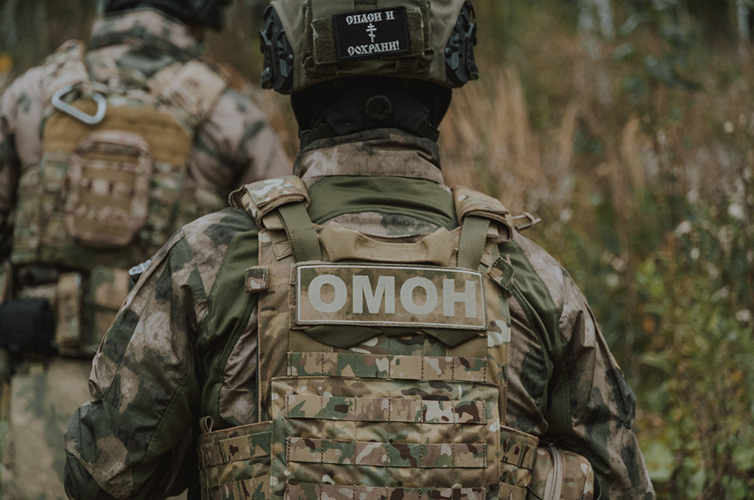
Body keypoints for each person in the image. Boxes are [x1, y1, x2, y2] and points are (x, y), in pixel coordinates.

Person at [64, 0, 655, 499]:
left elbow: (100, 476)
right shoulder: (536, 278)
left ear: (289, 74)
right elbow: (620, 481)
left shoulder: (208, 260)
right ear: (445, 81)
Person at [0, 1, 290, 498]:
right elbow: (281, 257)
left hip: (41, 381)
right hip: (165, 410)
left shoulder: (32, 95)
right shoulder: (231, 113)